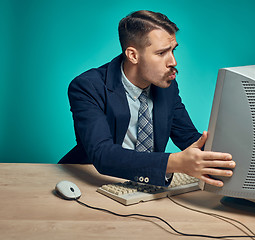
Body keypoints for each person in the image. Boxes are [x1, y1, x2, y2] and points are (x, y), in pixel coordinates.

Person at [59, 10, 235, 187]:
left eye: (173, 51)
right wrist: (174, 163)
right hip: (88, 184)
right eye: (161, 53)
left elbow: (189, 139)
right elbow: (103, 154)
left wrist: (232, 160)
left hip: (146, 185)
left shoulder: (167, 87)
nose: (173, 62)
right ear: (133, 55)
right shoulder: (87, 86)